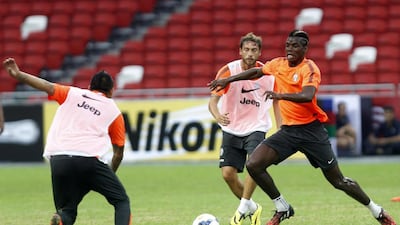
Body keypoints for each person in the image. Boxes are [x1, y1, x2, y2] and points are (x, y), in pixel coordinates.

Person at [208, 30, 396, 225]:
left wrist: (280, 96)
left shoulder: (310, 68)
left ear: (305, 49)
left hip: (311, 131)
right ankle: (282, 207)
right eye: (288, 45)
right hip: (289, 132)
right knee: (254, 164)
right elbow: (256, 71)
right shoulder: (278, 64)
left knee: (338, 181)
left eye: (295, 46)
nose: (290, 49)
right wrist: (227, 80)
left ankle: (377, 211)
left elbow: (306, 95)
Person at [3, 58, 131, 225]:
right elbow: (118, 152)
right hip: (89, 161)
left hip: (58, 159)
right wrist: (109, 174)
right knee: (121, 201)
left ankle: (61, 219)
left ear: (90, 87)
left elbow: (45, 85)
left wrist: (19, 75)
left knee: (67, 210)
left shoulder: (72, 93)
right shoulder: (113, 110)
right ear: (112, 91)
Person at [208, 32, 278, 225]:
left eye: (254, 50)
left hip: (257, 126)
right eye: (246, 49)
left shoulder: (268, 73)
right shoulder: (228, 70)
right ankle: (252, 207)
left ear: (259, 52)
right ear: (240, 51)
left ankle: (241, 209)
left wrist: (281, 126)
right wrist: (217, 115)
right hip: (232, 127)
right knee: (227, 174)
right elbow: (213, 100)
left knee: (254, 166)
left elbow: (277, 100)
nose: (249, 53)